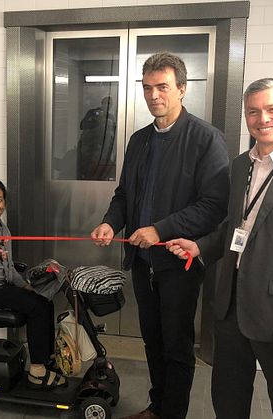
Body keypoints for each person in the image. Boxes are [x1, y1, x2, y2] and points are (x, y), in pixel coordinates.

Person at [165, 78, 273, 419]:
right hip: (231, 309)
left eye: (271, 109)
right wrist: (198, 246)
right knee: (227, 399)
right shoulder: (240, 166)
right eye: (253, 111)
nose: (262, 118)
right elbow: (236, 229)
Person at [90, 52, 230, 419]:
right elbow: (124, 195)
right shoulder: (138, 141)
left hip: (178, 263)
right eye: (148, 87)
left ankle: (173, 414)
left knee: (177, 347)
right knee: (153, 341)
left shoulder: (206, 140)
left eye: (163, 87)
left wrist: (160, 230)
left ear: (182, 89)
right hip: (142, 264)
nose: (154, 95)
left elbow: (214, 206)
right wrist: (110, 222)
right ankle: (158, 406)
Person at [0, 177, 66, 389]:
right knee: (37, 307)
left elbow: (9, 268)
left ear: (4, 203)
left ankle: (47, 359)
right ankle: (37, 372)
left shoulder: (4, 231)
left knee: (44, 300)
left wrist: (25, 285)